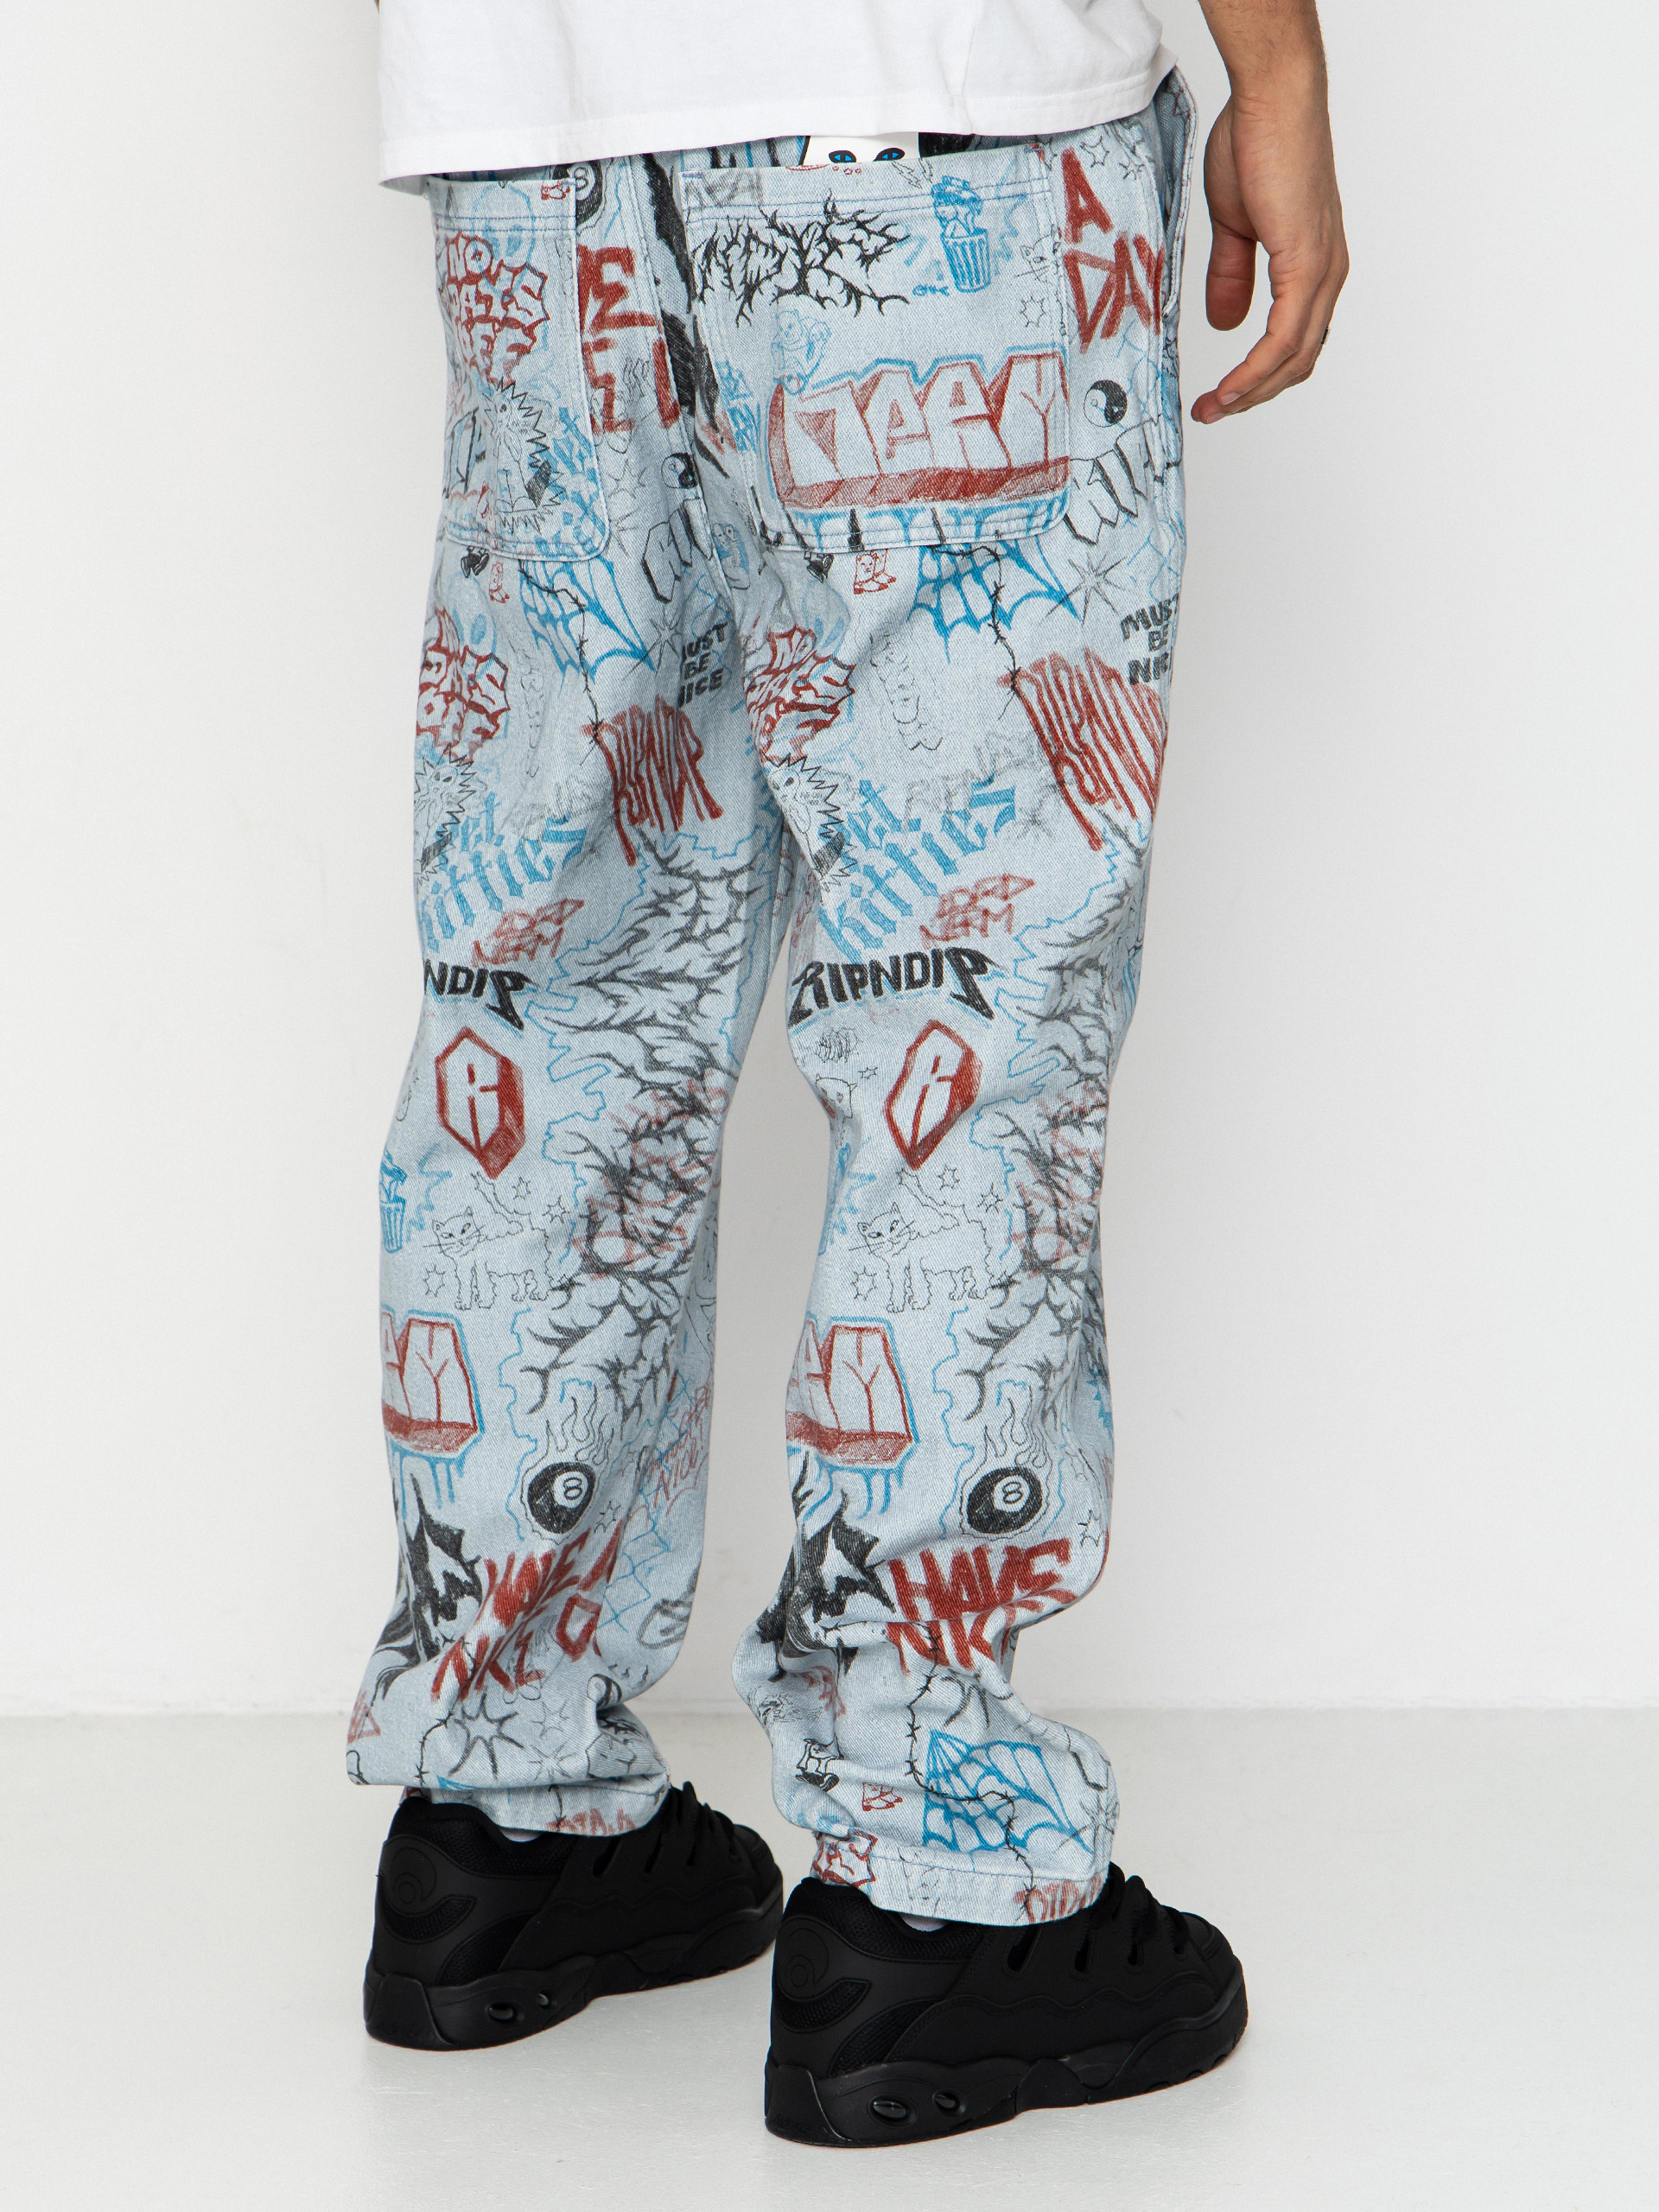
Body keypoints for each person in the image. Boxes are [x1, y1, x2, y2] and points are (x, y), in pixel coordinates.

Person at [351, 0, 1347, 2147]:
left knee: (559, 968)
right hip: (927, 109)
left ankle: (506, 1800)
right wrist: (1280, 66)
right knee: (967, 977)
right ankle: (934, 1869)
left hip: (537, 141)